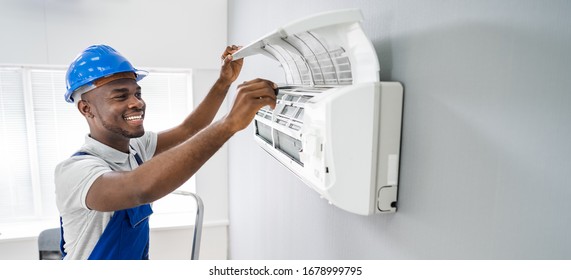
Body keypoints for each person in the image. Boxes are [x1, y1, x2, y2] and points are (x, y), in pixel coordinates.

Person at [54, 44, 276, 260]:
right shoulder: (75, 172)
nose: (136, 103)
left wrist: (223, 82)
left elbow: (189, 129)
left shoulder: (137, 147)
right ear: (86, 108)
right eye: (121, 96)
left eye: (137, 94)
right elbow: (138, 188)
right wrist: (228, 124)